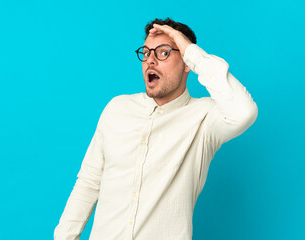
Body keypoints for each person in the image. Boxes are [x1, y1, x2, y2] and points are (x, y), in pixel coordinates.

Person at [54, 17, 258, 240]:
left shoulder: (205, 119)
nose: (150, 60)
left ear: (186, 62)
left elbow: (244, 112)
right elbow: (88, 183)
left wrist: (191, 51)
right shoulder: (117, 109)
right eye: (146, 52)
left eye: (163, 53)